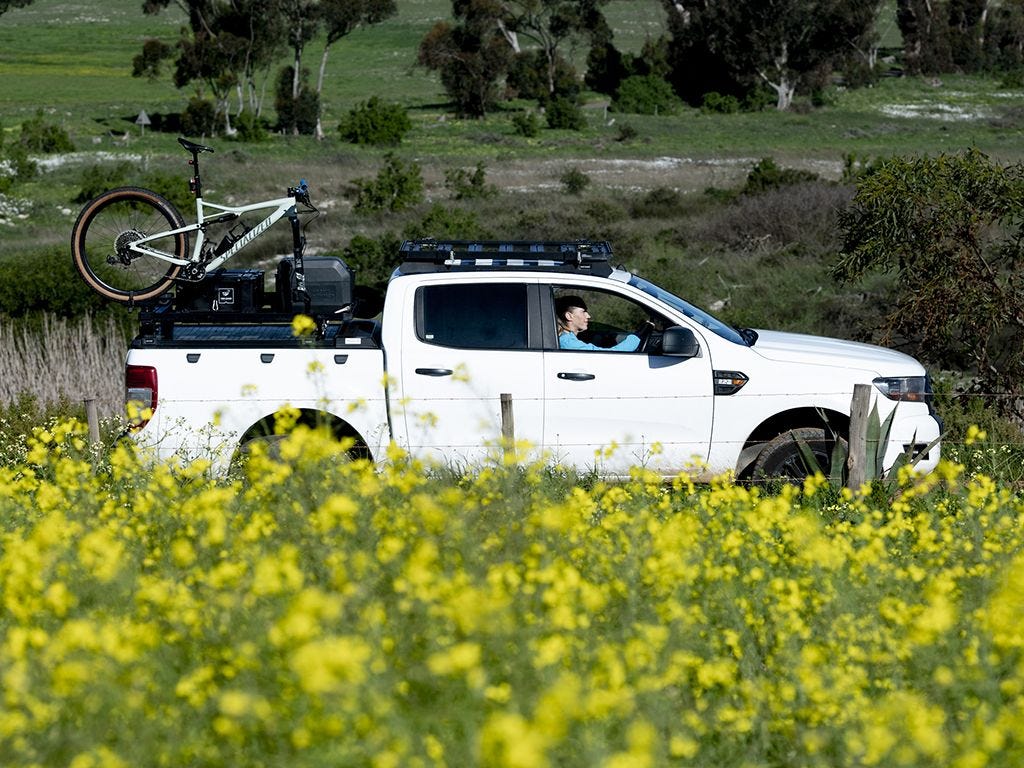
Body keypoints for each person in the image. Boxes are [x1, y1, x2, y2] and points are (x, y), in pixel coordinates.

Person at [555, 295, 641, 351]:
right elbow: (607, 355)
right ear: (569, 316)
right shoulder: (567, 342)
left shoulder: (567, 338)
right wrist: (634, 339)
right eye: (583, 312)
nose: (588, 316)